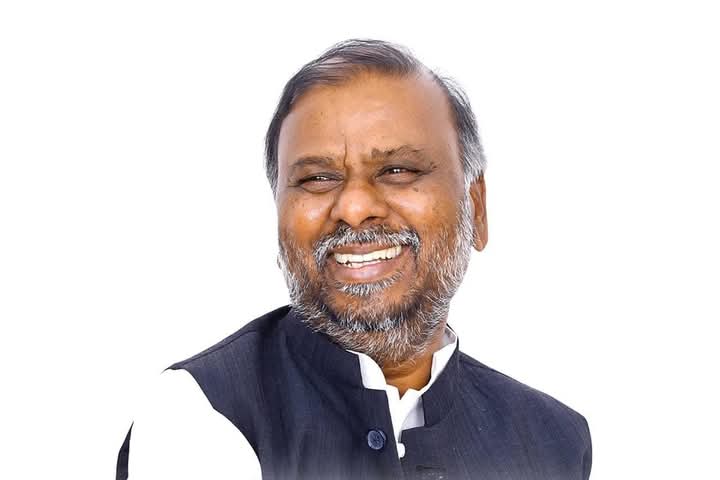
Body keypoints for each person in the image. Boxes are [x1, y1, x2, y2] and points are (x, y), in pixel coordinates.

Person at [117, 39, 592, 480]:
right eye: (317, 179)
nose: (354, 207)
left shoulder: (553, 440)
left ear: (477, 208)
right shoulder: (203, 412)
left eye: (398, 170)